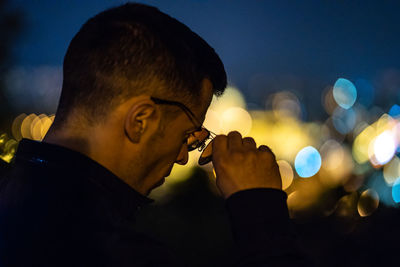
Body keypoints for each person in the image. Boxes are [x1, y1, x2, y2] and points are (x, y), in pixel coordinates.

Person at [0, 3, 312, 266]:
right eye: (189, 134)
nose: (182, 156)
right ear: (141, 120)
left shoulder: (13, 198)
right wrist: (261, 213)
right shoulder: (115, 253)